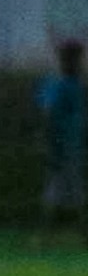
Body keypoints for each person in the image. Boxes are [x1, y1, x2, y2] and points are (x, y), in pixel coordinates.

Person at [39, 38, 86, 240]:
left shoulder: (63, 84)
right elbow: (51, 113)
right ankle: (51, 233)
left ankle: (47, 234)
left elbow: (48, 110)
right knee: (67, 187)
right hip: (68, 145)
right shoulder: (68, 85)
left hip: (67, 145)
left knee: (61, 187)